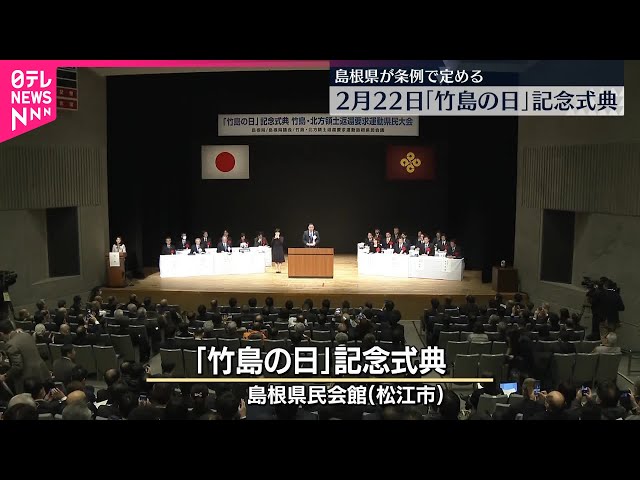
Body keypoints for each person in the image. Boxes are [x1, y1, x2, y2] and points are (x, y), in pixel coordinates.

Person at [0, 320, 51, 394]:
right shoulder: (26, 335)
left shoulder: (10, 344)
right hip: (42, 373)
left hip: (28, 381)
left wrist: (4, 376)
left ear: (1, 334)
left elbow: (18, 366)